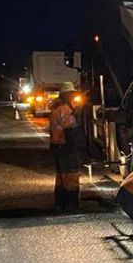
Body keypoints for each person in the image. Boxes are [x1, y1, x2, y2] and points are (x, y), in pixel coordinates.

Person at [49, 82, 82, 212]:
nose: (72, 96)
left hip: (57, 145)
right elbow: (70, 126)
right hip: (65, 145)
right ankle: (71, 204)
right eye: (71, 94)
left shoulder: (56, 107)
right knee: (71, 175)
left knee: (61, 176)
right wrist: (76, 113)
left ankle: (60, 203)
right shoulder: (64, 108)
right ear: (66, 94)